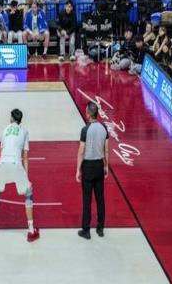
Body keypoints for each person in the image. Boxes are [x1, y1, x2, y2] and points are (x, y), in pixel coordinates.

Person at [0, 108, 40, 242]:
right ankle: (31, 230)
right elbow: (25, 157)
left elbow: (1, 153)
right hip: (16, 163)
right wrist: (26, 178)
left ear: (11, 118)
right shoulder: (24, 131)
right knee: (28, 193)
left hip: (2, 163)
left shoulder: (5, 130)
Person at [76, 101, 109, 240]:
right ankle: (100, 228)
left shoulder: (85, 129)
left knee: (87, 199)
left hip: (88, 166)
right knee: (100, 198)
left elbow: (81, 151)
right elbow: (106, 150)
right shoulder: (104, 128)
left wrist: (78, 169)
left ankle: (86, 229)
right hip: (99, 165)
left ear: (89, 114)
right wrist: (106, 166)